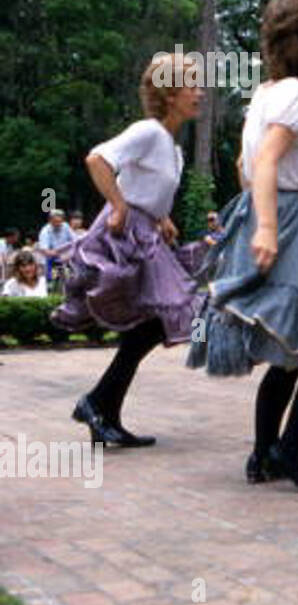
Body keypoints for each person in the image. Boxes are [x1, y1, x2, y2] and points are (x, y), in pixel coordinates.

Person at [188, 0, 298, 490]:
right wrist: (267, 226)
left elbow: (247, 167)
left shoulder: (267, 93)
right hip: (284, 216)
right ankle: (290, 450)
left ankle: (265, 454)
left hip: (275, 211)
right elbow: (263, 163)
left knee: (295, 343)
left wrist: (257, 217)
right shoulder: (297, 97)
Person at [51, 53, 204, 446]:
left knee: (149, 324)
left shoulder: (173, 149)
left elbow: (149, 190)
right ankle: (98, 404)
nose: (200, 92)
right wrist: (119, 205)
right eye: (192, 84)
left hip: (146, 236)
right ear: (170, 94)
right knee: (151, 323)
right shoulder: (149, 132)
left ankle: (102, 408)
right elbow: (98, 159)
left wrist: (161, 218)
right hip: (123, 236)